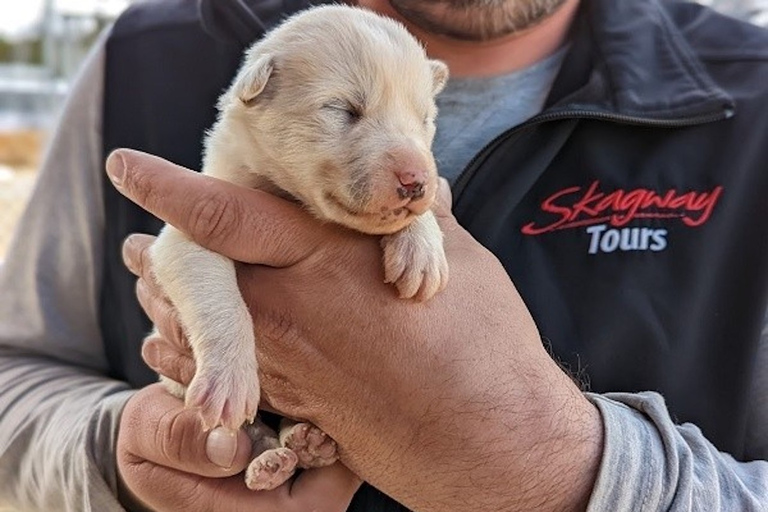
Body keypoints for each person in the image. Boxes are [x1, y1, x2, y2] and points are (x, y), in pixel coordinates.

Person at [0, 0, 767, 510]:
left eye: (420, 125)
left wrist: (564, 468)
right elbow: (15, 378)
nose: (413, 167)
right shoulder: (143, 56)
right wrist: (119, 457)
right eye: (345, 113)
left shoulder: (753, 97)